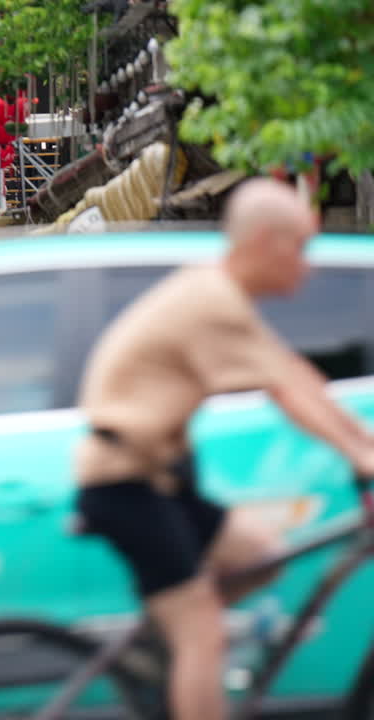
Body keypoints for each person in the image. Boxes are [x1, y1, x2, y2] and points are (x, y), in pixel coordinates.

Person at [73, 177, 374, 720]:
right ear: (264, 241)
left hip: (160, 478)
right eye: (299, 249)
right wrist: (361, 457)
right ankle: (181, 646)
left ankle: (162, 648)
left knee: (259, 556)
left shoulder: (221, 292)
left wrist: (365, 443)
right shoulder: (212, 301)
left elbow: (293, 373)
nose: (306, 267)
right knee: (202, 633)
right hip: (124, 483)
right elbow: (286, 392)